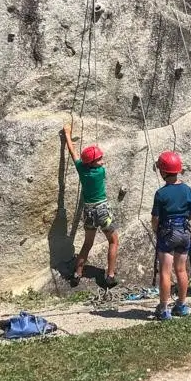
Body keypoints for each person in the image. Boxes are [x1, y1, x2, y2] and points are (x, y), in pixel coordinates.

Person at [62, 124, 119, 289]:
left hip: (88, 211)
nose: (102, 161)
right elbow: (82, 157)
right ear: (93, 163)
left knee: (88, 243)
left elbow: (73, 153)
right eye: (99, 159)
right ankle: (110, 275)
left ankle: (77, 273)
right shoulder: (100, 172)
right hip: (102, 210)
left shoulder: (81, 168)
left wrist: (67, 133)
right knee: (113, 241)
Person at [150, 151, 191, 321]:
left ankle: (163, 309)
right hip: (184, 230)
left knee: (165, 272)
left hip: (168, 232)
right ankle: (181, 305)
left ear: (163, 172)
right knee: (181, 269)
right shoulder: (187, 189)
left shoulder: (161, 193)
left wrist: (156, 229)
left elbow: (155, 218)